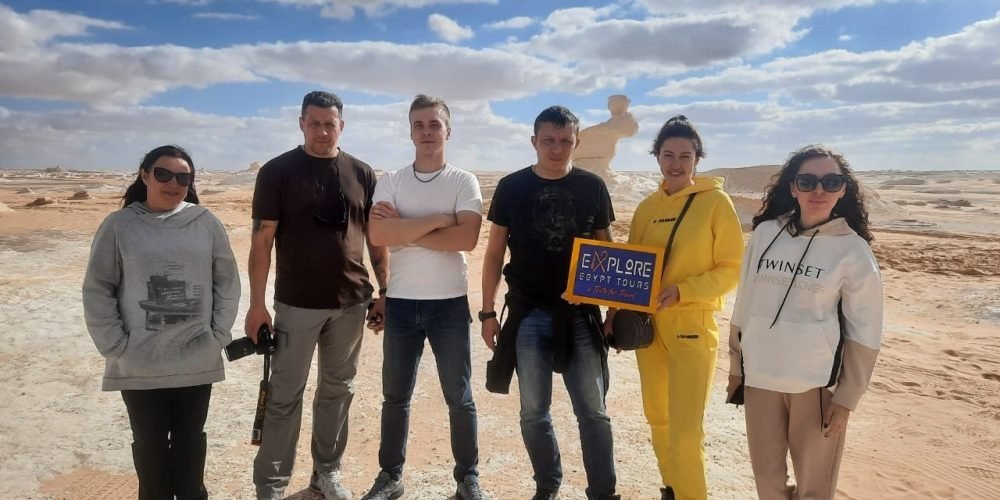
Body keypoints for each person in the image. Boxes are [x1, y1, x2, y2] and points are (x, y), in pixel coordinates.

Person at [246, 91, 389, 500]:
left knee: (338, 390)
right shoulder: (277, 172)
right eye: (315, 123)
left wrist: (385, 291)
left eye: (330, 123)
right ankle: (271, 485)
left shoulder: (362, 173)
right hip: (296, 304)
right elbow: (262, 242)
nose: (323, 131)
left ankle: (326, 472)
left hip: (351, 302)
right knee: (284, 395)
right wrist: (258, 305)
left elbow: (377, 241)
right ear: (301, 124)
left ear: (342, 125)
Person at [83, 145, 240, 499]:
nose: (173, 183)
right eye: (163, 174)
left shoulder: (205, 222)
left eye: (183, 177)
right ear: (145, 175)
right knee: (149, 445)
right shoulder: (119, 225)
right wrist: (114, 345)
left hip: (196, 356)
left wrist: (218, 334)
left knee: (190, 441)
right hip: (138, 361)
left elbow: (227, 282)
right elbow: (98, 288)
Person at [727, 145, 883, 500]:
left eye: (830, 182)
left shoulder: (853, 251)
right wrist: (737, 366)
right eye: (808, 181)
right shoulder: (766, 235)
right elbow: (744, 305)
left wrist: (847, 397)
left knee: (814, 490)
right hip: (761, 380)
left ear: (843, 190)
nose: (819, 191)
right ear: (793, 187)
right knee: (768, 486)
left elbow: (866, 329)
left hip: (816, 387)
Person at [482, 106, 620, 500]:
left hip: (581, 315)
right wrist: (488, 312)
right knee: (533, 411)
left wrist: (614, 309)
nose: (556, 149)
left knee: (593, 411)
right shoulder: (511, 187)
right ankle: (547, 485)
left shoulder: (593, 187)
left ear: (576, 142)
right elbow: (494, 253)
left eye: (565, 141)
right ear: (534, 142)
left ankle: (604, 493)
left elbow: (606, 249)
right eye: (548, 141)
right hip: (527, 313)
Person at [605, 115, 743, 500]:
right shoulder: (648, 206)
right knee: (659, 420)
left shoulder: (716, 203)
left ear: (698, 158)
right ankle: (673, 488)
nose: (676, 163)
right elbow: (632, 268)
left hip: (691, 326)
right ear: (657, 157)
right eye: (668, 154)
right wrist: (613, 314)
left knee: (685, 430)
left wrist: (684, 291)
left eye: (685, 155)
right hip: (647, 329)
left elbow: (732, 269)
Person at [361, 94, 485, 500]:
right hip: (401, 302)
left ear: (448, 130)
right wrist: (435, 221)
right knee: (395, 396)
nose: (427, 132)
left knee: (459, 396)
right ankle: (391, 476)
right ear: (410, 130)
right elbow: (378, 235)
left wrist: (406, 229)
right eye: (419, 124)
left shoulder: (462, 181)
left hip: (449, 303)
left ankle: (467, 478)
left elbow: (466, 238)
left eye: (435, 124)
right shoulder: (392, 180)